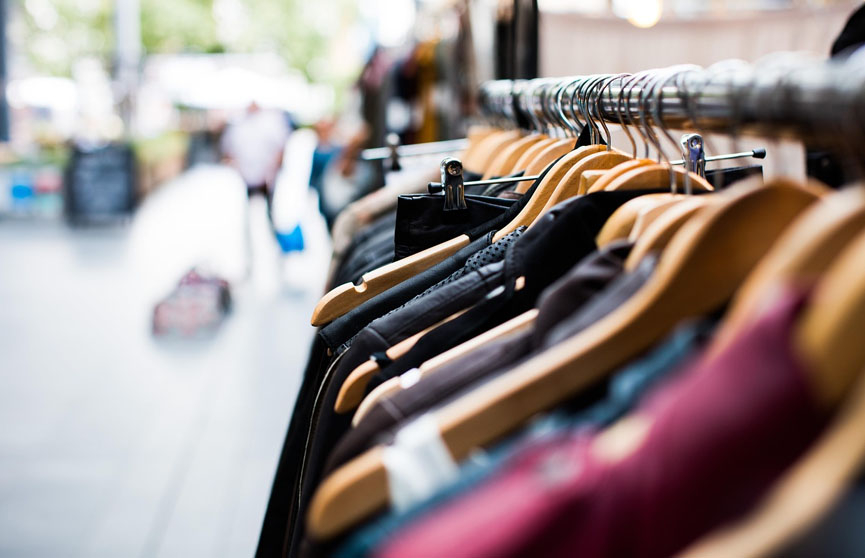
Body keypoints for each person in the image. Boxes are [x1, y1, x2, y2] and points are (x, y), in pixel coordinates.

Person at [220, 101, 291, 218]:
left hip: (267, 179)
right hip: (246, 177)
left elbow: (281, 149)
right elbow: (228, 151)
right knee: (247, 212)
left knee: (270, 213)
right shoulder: (238, 124)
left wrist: (271, 172)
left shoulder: (271, 122)